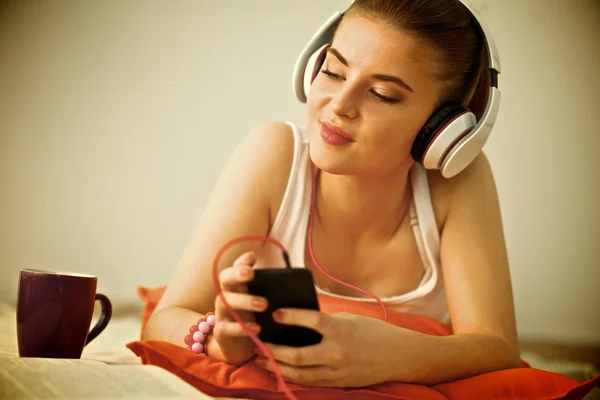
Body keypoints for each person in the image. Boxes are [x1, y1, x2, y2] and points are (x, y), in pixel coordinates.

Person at [143, 0, 520, 388]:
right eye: (334, 71)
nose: (339, 106)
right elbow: (164, 320)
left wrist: (392, 355)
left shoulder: (457, 182)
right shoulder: (275, 154)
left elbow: (498, 348)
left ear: (444, 130)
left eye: (382, 94)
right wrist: (221, 342)